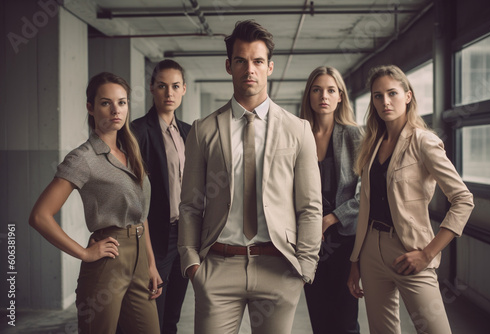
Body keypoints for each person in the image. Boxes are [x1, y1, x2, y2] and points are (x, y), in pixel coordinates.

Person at [178, 20, 322, 334]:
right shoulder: (204, 129)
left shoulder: (298, 129)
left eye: (257, 61)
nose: (250, 69)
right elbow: (190, 204)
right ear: (229, 66)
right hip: (217, 266)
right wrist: (190, 260)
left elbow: (310, 206)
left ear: (269, 67)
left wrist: (305, 267)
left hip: (278, 267)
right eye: (241, 61)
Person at [29, 72, 162, 334]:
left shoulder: (131, 153)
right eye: (105, 103)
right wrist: (84, 252)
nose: (115, 110)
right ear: (90, 107)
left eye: (122, 102)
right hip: (108, 261)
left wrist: (151, 264)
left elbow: (139, 213)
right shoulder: (83, 158)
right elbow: (40, 216)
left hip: (139, 260)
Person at [347, 65, 474, 334]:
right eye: (378, 96)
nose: (385, 101)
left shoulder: (423, 142)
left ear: (408, 96)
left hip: (410, 250)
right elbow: (366, 207)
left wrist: (428, 253)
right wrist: (355, 260)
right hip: (370, 251)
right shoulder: (372, 144)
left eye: (392, 93)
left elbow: (463, 199)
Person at [129, 59, 190, 334]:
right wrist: (150, 259)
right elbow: (134, 200)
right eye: (162, 86)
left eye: (175, 86)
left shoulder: (190, 132)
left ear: (184, 89)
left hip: (186, 236)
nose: (169, 93)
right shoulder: (137, 132)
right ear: (152, 88)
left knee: (172, 317)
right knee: (153, 314)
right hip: (156, 237)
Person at [300, 66, 361, 334]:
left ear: (340, 97)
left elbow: (366, 193)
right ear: (309, 96)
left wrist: (331, 218)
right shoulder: (298, 135)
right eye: (317, 89)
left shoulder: (354, 135)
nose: (323, 96)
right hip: (310, 242)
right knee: (319, 319)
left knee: (345, 322)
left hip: (344, 239)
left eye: (331, 90)